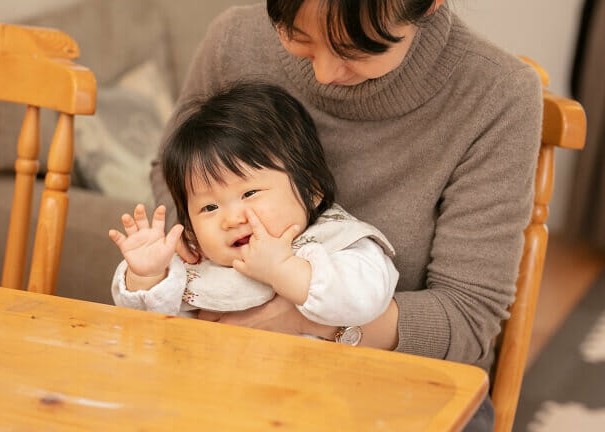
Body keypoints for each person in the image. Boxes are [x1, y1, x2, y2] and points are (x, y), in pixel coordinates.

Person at [148, 1, 544, 430]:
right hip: (229, 365)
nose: (324, 74)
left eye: (356, 50)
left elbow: (467, 318)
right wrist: (192, 252)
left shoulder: (498, 94)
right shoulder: (235, 41)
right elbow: (172, 180)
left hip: (404, 385)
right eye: (298, 37)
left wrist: (303, 318)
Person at [110, 83, 399, 332]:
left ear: (311, 190)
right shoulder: (196, 260)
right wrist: (147, 276)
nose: (231, 219)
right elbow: (146, 322)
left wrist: (284, 270)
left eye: (249, 193)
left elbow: (367, 298)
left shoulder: (335, 241)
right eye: (209, 207)